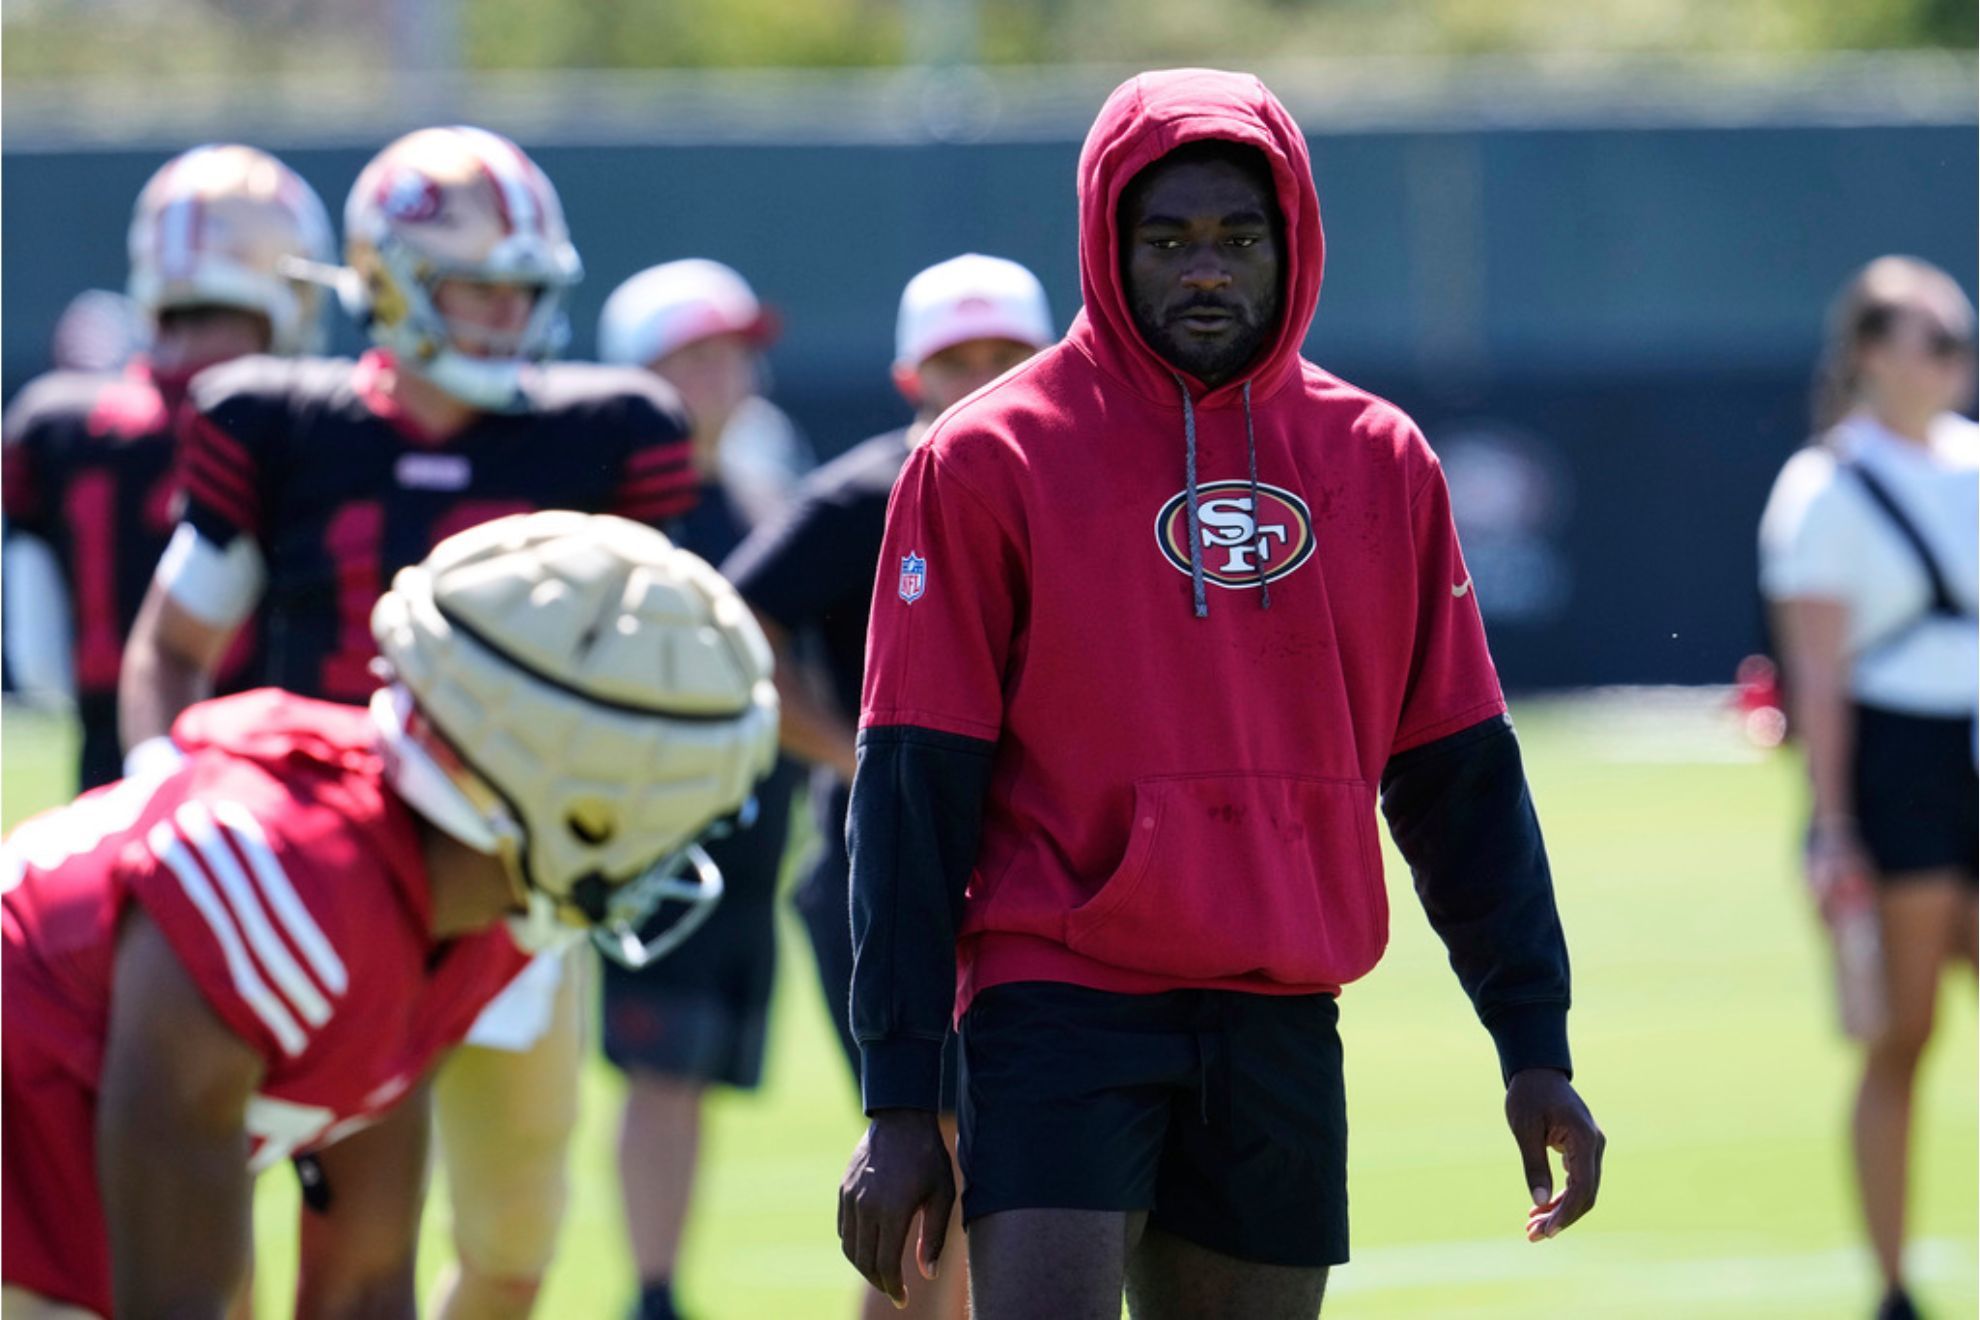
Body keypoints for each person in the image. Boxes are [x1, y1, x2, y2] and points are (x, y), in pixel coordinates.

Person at [834, 69, 1606, 1319]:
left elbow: (1460, 776)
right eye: (1169, 239)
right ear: (1106, 243)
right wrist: (900, 1094)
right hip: (1059, 999)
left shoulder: (1381, 459)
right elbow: (914, 787)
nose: (1206, 269)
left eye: (1239, 238)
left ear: (1291, 241)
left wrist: (1534, 1043)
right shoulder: (987, 457)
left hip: (1280, 1010)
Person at [115, 125, 700, 1320]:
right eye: (474, 284)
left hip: (513, 888)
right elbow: (173, 648)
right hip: (321, 884)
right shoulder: (284, 425)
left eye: (521, 290)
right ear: (386, 280)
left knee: (510, 1242)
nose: (502, 314)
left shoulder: (606, 435)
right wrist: (163, 798)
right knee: (239, 1223)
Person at [3, 511, 779, 1320]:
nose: (663, 845)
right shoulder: (286, 887)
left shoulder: (461, 904)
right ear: (550, 783)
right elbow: (170, 1302)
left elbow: (361, 1287)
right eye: (648, 798)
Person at [725, 252, 1055, 1320]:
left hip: (1035, 878)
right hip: (889, 875)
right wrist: (846, 749)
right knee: (934, 1156)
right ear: (911, 377)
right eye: (957, 359)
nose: (983, 376)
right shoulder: (861, 495)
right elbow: (729, 625)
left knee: (1017, 1166)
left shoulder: (1075, 496)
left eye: (1006, 355)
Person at [1758, 255, 1978, 1320]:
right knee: (1905, 1033)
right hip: (1902, 770)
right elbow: (1821, 683)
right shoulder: (1824, 488)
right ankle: (1893, 1286)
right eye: (1934, 340)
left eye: (1961, 341)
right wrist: (1833, 828)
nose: (1955, 360)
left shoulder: (1975, 461)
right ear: (1870, 358)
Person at [594, 257, 806, 1320]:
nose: (732, 373)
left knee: (694, 1077)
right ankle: (654, 1293)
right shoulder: (623, 509)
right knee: (660, 1072)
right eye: (702, 354)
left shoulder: (755, 494)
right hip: (655, 843)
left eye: (735, 350)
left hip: (751, 837)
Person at [3, 144, 333, 789]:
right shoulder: (315, 421)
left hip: (112, 797)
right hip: (282, 809)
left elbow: (41, 670)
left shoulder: (54, 424)